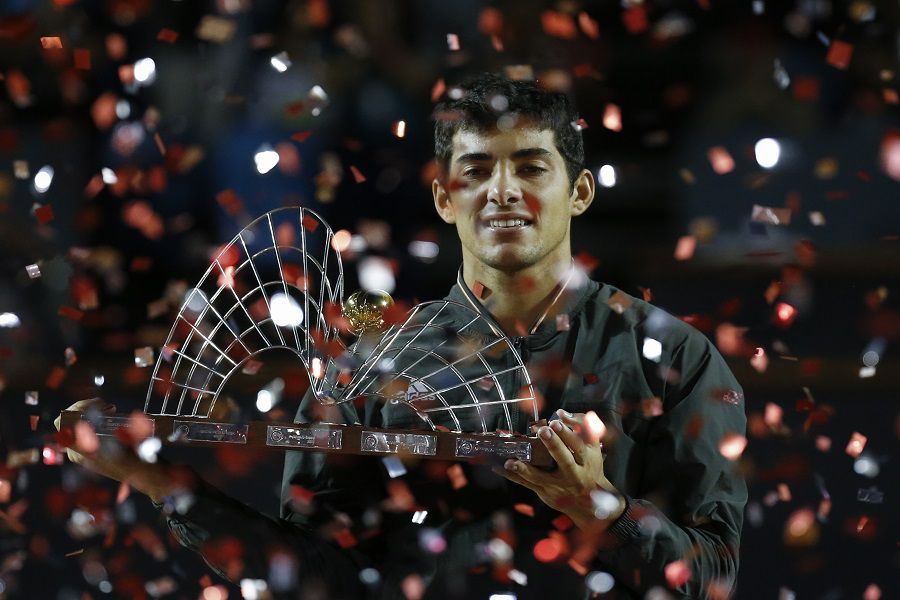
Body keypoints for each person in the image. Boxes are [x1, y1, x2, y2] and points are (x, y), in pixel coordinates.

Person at [57, 73, 747, 599]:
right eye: (476, 171)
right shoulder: (363, 364)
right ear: (446, 198)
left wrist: (602, 510)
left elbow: (715, 578)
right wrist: (159, 483)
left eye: (531, 167)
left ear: (581, 192)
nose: (502, 191)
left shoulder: (674, 358)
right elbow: (312, 578)